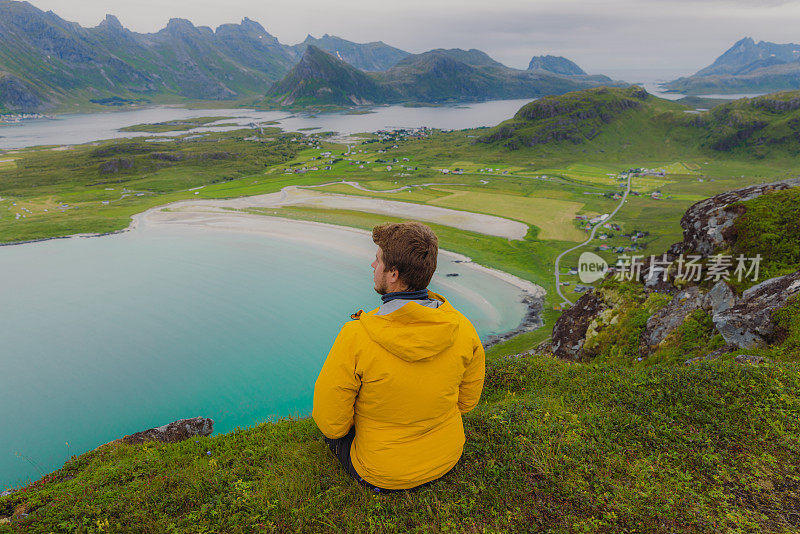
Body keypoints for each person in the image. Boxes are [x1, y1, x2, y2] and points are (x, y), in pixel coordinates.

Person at [312, 221, 485, 492]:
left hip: (383, 473)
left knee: (330, 431)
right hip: (447, 456)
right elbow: (466, 402)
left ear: (393, 274)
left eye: (378, 260)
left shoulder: (356, 336)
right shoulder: (463, 327)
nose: (372, 265)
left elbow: (332, 424)